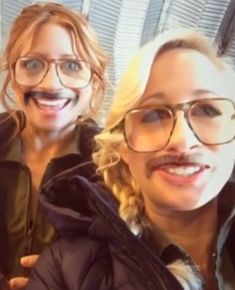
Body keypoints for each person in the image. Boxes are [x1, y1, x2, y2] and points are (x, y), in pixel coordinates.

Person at [26, 29, 235, 290]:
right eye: (153, 115)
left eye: (207, 109)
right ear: (123, 147)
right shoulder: (64, 271)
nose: (182, 140)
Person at [0, 2, 108, 289]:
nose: (50, 84)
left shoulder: (115, 172)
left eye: (72, 65)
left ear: (95, 81)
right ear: (12, 75)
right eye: (33, 64)